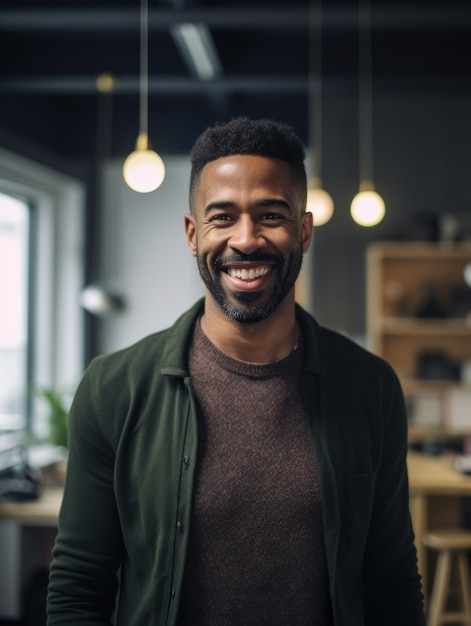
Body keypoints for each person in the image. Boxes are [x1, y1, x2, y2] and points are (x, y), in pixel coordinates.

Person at [47, 116, 425, 625]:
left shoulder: (370, 387)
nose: (246, 240)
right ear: (192, 232)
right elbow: (79, 586)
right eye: (222, 217)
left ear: (304, 230)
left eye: (271, 215)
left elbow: (392, 580)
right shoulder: (112, 389)